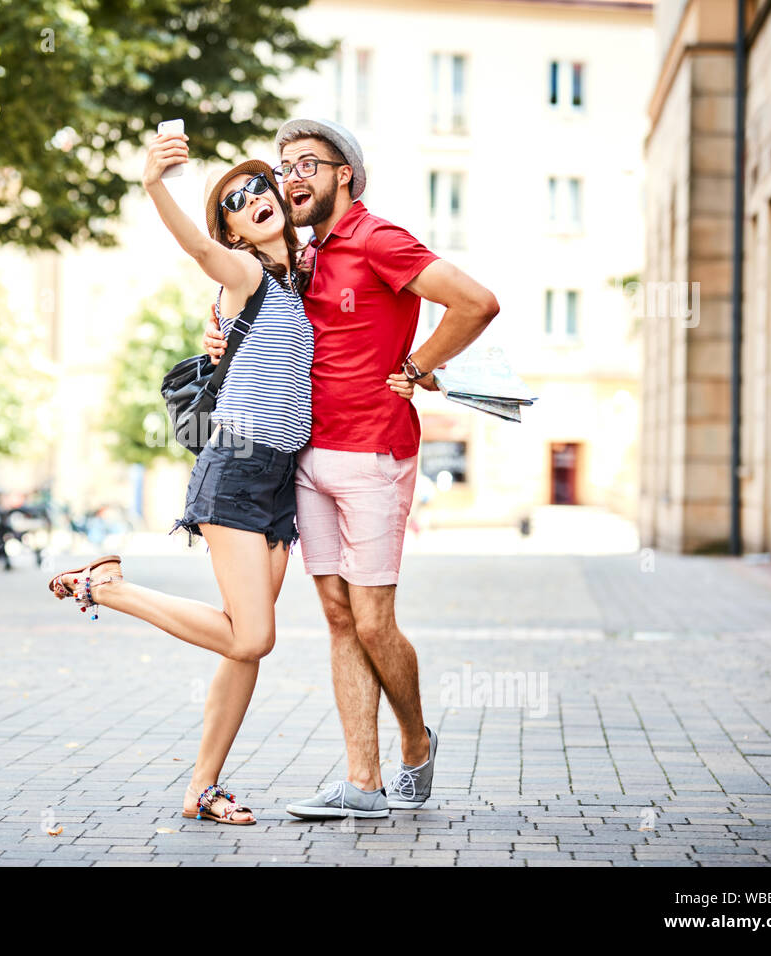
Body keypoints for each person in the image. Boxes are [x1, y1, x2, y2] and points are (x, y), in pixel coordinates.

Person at [48, 129, 413, 825]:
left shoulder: (301, 279)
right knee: (253, 637)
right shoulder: (244, 275)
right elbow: (197, 250)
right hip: (237, 470)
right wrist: (155, 185)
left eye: (259, 188)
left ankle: (202, 789)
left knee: (241, 646)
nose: (252, 200)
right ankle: (108, 586)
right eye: (236, 203)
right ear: (236, 232)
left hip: (282, 478)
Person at [203, 118, 500, 818]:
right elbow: (256, 319)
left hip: (372, 452)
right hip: (307, 455)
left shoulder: (377, 238)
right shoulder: (303, 259)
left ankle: (415, 745)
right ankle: (363, 784)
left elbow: (477, 301)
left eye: (309, 162)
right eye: (285, 164)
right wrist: (216, 332)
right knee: (338, 619)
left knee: (372, 622)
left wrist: (421, 364)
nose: (292, 174)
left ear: (345, 175)